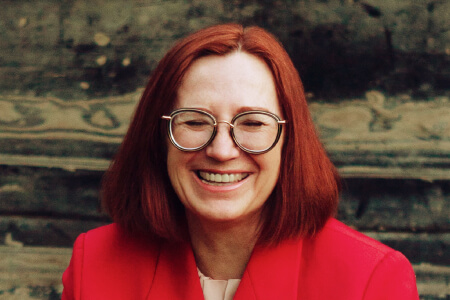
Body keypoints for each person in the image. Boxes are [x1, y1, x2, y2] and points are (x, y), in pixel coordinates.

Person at [61, 23, 419, 300]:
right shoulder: (93, 262)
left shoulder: (370, 279)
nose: (221, 150)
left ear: (289, 141)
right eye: (195, 121)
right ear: (159, 137)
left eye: (252, 123)